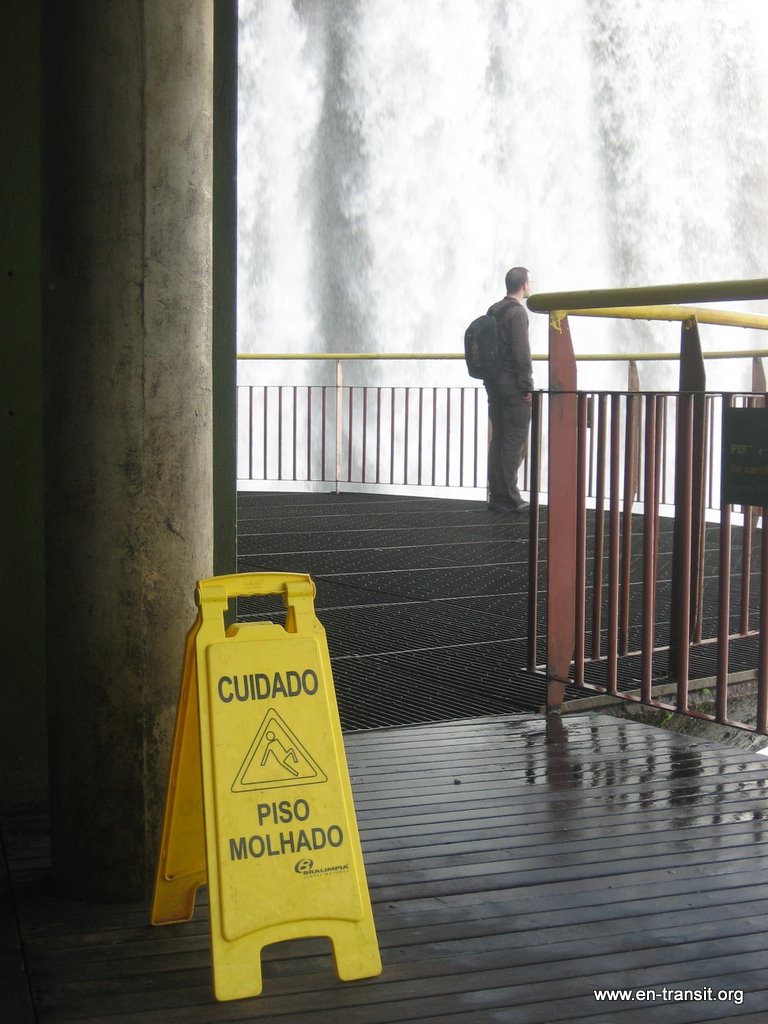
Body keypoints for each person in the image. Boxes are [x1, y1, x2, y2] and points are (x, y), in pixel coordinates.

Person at [484, 266, 534, 513]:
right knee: (515, 441)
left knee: (499, 439)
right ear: (524, 285)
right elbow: (522, 353)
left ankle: (496, 495)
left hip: (493, 384)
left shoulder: (494, 310)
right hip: (513, 387)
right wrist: (527, 386)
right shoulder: (518, 313)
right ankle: (510, 498)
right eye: (530, 282)